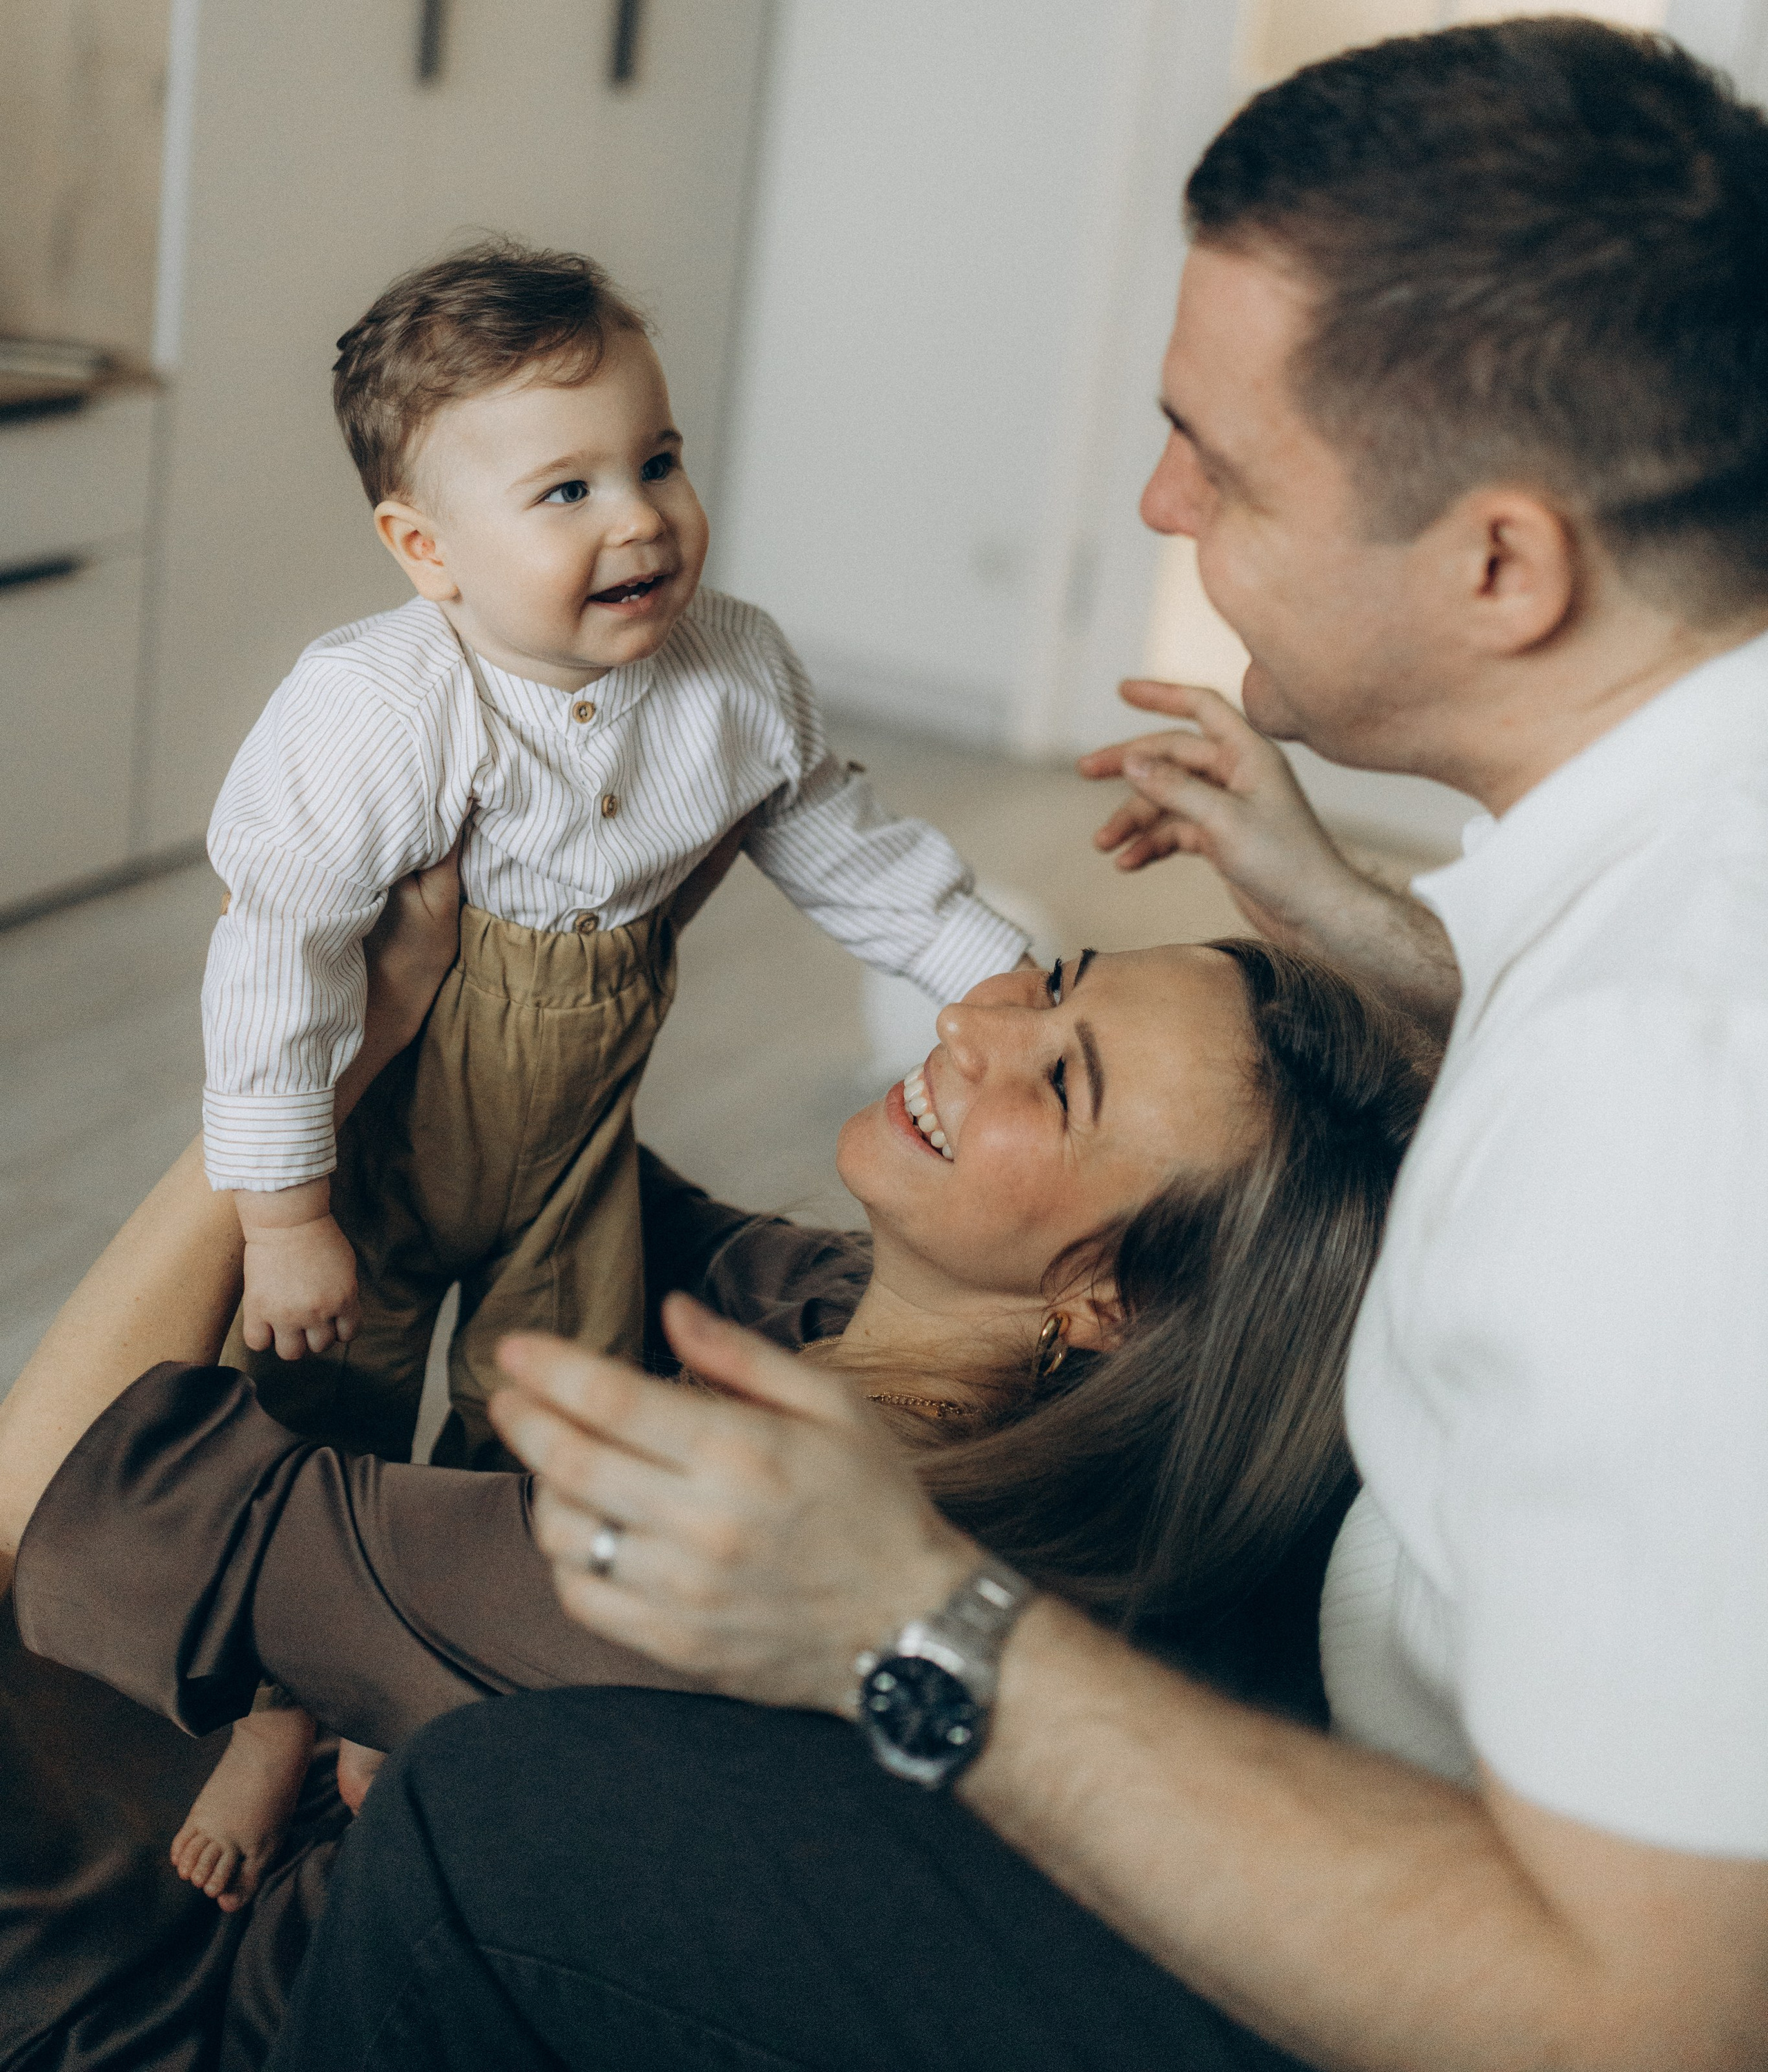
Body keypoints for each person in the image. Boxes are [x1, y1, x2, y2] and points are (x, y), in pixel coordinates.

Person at [271, 16, 1768, 2072]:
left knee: (501, 1832)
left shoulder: (1682, 1111)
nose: (1156, 497)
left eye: (1220, 462)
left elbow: (1656, 2024)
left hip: (1488, 1950)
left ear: (1501, 562)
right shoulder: (1698, 842)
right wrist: (1370, 938)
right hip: (1400, 1667)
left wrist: (918, 1622)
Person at [0, 860, 1428, 2066]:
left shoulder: (734, 1543)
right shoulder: (857, 1324)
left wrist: (304, 1065)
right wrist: (588, 905)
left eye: (1060, 1083)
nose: (982, 1020)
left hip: (175, 1987)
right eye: (1053, 980)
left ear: (1109, 1303)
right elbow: (551, 1158)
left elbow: (50, 1491)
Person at [189, 237, 1030, 1892]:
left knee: (543, 1413)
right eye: (561, 491)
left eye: (654, 461)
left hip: (575, 1150)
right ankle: (276, 1706)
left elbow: (848, 849)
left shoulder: (731, 672)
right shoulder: (376, 711)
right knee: (318, 1407)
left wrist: (994, 983)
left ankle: (411, 1672)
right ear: (425, 550)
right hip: (380, 1139)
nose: (638, 518)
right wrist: (281, 1210)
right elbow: (275, 958)